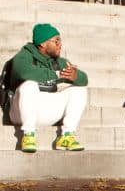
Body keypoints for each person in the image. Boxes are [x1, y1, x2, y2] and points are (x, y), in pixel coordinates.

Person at [8, 23, 88, 152]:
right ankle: (28, 135)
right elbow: (24, 72)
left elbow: (85, 79)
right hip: (20, 113)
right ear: (43, 43)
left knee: (79, 89)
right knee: (29, 85)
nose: (60, 44)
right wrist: (56, 74)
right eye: (56, 41)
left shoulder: (59, 61)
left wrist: (75, 76)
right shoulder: (23, 57)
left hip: (46, 112)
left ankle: (67, 136)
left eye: (60, 41)